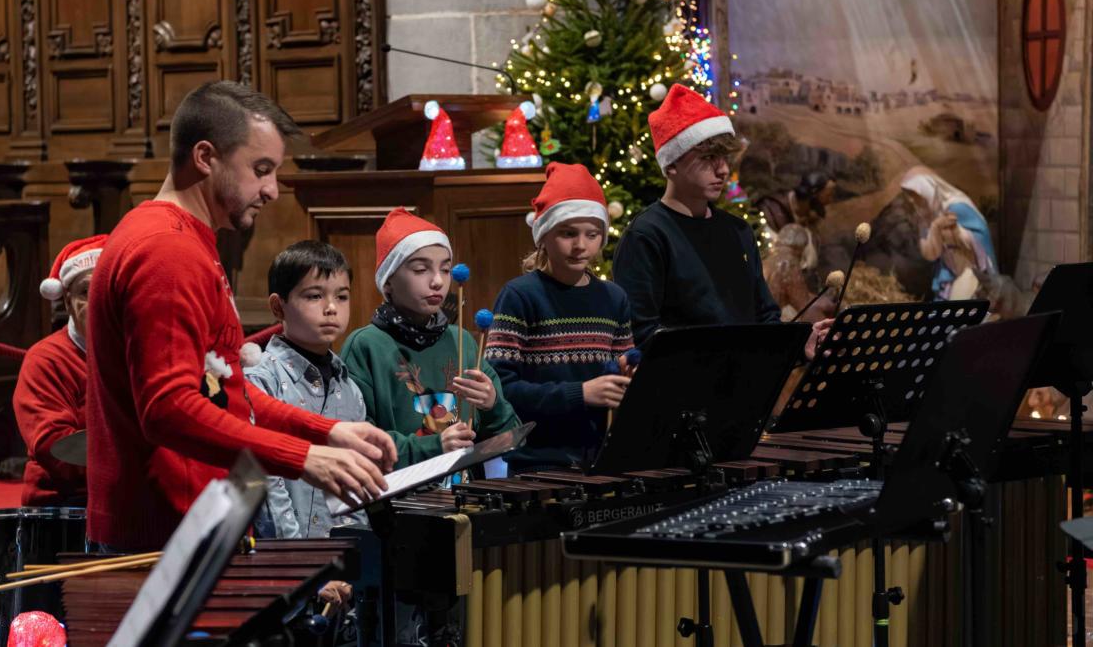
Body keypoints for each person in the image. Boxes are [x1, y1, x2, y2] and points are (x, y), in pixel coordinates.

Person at [85, 81, 396, 552]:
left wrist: (327, 430)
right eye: (261, 169)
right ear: (205, 157)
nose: (272, 190)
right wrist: (304, 458)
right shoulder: (167, 250)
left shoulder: (185, 240)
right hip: (164, 532)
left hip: (195, 520)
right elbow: (168, 408)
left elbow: (223, 392)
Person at [612, 84, 830, 358]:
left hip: (744, 380)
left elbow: (765, 318)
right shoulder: (646, 236)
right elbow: (642, 336)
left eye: (724, 157)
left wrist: (799, 344)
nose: (724, 169)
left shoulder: (738, 231)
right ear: (671, 164)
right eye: (708, 158)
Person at [341, 208, 520, 469]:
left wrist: (492, 405)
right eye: (420, 269)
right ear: (388, 281)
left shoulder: (463, 342)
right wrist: (434, 446)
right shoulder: (366, 345)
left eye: (445, 270)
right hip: (399, 493)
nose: (437, 281)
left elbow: (509, 439)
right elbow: (358, 443)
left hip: (464, 491)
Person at [484, 163, 634, 471]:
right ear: (543, 236)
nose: (581, 246)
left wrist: (629, 376)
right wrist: (580, 394)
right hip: (538, 463)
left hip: (599, 458)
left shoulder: (614, 298)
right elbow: (501, 389)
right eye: (568, 234)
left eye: (592, 234)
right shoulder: (520, 296)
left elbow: (622, 377)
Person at [244, 241, 366, 608]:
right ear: (278, 306)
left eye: (342, 296)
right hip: (278, 573)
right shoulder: (260, 381)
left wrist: (350, 563)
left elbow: (356, 486)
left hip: (338, 575)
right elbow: (267, 484)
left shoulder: (350, 390)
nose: (331, 308)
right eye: (314, 296)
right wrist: (301, 567)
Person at [13, 235, 106, 507]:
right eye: (85, 292)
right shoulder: (46, 360)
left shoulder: (139, 350)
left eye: (105, 290)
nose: (97, 301)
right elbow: (55, 448)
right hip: (66, 503)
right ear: (67, 301)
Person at [899, 165, 998, 300]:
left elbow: (980, 237)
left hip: (970, 270)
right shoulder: (926, 217)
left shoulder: (957, 207)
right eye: (910, 196)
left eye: (915, 195)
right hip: (949, 272)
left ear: (927, 190)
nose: (913, 202)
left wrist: (957, 232)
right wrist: (934, 228)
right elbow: (930, 254)